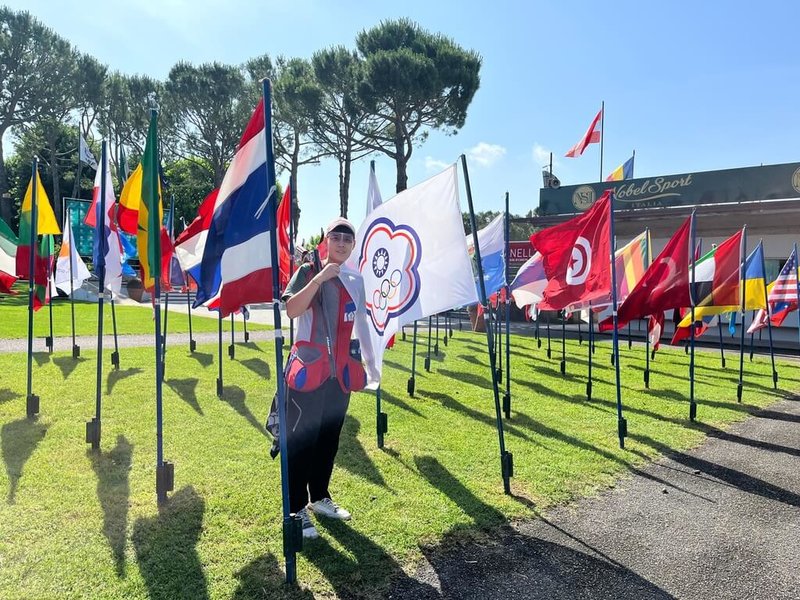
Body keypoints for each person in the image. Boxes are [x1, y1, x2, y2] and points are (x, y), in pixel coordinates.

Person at [281, 217, 367, 540]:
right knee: (302, 442)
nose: (342, 243)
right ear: (326, 239)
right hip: (308, 372)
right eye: (337, 237)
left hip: (339, 377)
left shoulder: (354, 279)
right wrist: (318, 278)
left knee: (328, 440)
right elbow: (291, 309)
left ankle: (319, 497)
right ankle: (296, 509)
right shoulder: (308, 270)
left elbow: (361, 322)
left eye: (348, 238)